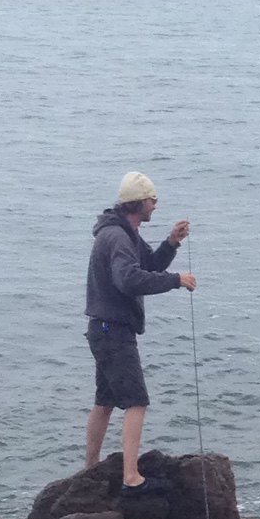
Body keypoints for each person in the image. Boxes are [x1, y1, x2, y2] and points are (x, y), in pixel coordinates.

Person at [85, 171, 197, 474]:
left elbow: (148, 265)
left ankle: (88, 469)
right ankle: (131, 476)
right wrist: (175, 280)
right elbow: (128, 279)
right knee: (136, 401)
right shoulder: (118, 237)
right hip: (113, 331)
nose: (155, 205)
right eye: (152, 200)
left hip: (103, 328)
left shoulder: (124, 232)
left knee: (105, 400)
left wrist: (171, 243)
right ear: (138, 203)